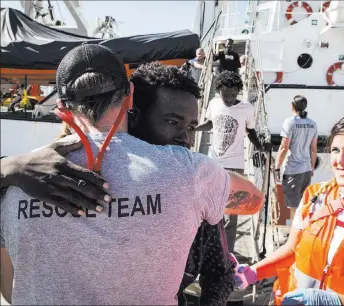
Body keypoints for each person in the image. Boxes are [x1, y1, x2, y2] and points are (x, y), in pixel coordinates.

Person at [0, 45, 264, 305]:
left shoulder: (16, 180)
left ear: (61, 105)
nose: (184, 136)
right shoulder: (190, 173)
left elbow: (11, 292)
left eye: (191, 127)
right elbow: (253, 199)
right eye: (172, 121)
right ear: (130, 97)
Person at [234, 113, 344, 305]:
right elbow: (292, 250)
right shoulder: (315, 196)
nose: (339, 160)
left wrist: (337, 302)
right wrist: (252, 272)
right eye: (334, 150)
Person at [196, 71, 266, 254]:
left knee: (231, 212)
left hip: (235, 166)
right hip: (213, 163)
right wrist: (194, 128)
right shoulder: (213, 103)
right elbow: (211, 123)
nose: (228, 98)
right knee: (210, 207)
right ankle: (209, 247)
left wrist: (259, 146)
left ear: (239, 92)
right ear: (218, 90)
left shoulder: (246, 108)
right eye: (225, 95)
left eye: (233, 95)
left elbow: (250, 132)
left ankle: (227, 252)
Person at [275, 95, 318, 219]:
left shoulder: (290, 122)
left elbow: (284, 147)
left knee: (294, 207)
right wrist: (312, 168)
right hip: (306, 170)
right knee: (303, 205)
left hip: (293, 171)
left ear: (292, 106)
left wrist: (277, 168)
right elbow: (313, 149)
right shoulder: (312, 124)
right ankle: (300, 233)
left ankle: (295, 235)